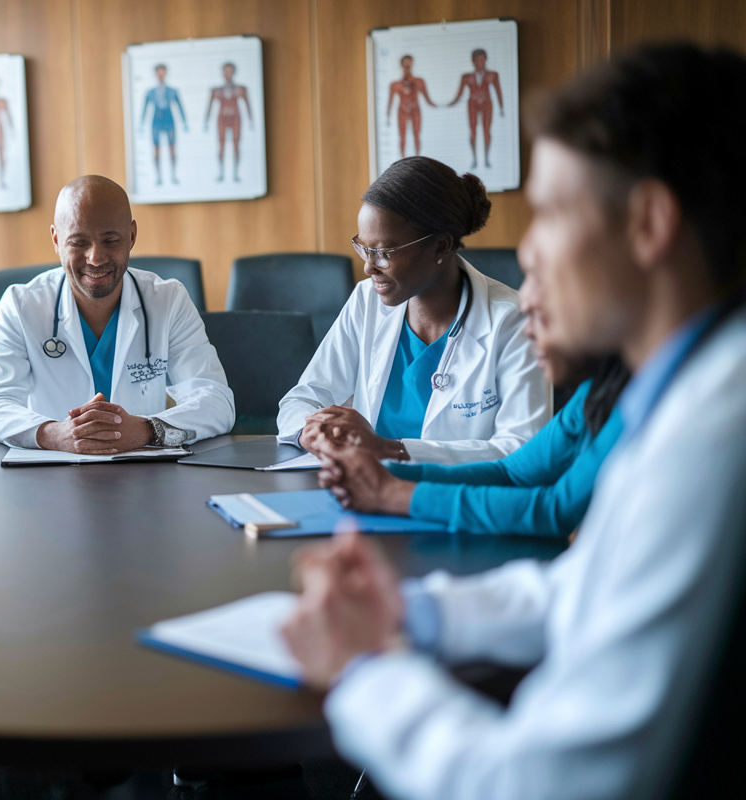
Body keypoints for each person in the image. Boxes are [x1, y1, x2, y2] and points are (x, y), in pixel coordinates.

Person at [282, 43, 746, 800]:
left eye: (555, 213)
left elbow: (539, 784)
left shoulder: (715, 433)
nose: (527, 249)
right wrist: (410, 608)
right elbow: (582, 590)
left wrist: (364, 666)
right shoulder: (682, 388)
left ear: (650, 223)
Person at [277, 156, 550, 466]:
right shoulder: (366, 301)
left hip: (457, 501)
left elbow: (524, 449)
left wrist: (389, 450)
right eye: (365, 249)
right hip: (363, 491)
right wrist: (309, 432)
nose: (368, 267)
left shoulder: (512, 321)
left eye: (384, 253)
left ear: (441, 247)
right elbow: (304, 398)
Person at [314, 272, 630, 537]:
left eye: (544, 278)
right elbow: (512, 472)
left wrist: (391, 493)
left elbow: (554, 510)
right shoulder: (600, 389)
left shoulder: (637, 403)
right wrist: (381, 473)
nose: (528, 304)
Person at [0, 175, 234, 453]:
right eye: (78, 242)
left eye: (110, 240)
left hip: (146, 475)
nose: (95, 258)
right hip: (51, 473)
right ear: (56, 239)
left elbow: (217, 401)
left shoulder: (168, 300)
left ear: (131, 236)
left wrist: (147, 430)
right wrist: (54, 434)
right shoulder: (21, 306)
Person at [448, 48, 504, 169]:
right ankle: (474, 159)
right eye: (476, 60)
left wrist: (501, 107)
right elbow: (460, 93)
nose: (479, 62)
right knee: (473, 131)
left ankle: (487, 159)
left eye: (481, 59)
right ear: (472, 61)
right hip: (472, 104)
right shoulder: (466, 76)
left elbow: (498, 90)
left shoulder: (492, 75)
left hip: (487, 104)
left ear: (485, 60)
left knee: (486, 131)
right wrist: (451, 103)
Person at [139, 64, 188, 186]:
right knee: (156, 149)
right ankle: (158, 177)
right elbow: (145, 109)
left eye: (163, 72)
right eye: (159, 72)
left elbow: (180, 106)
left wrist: (184, 122)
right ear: (156, 74)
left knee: (172, 148)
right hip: (156, 120)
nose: (161, 74)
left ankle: (173, 175)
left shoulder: (172, 91)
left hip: (169, 119)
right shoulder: (150, 92)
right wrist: (141, 124)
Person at [203, 62, 253, 183]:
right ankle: (221, 173)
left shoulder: (241, 89)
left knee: (236, 145)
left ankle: (236, 174)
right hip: (222, 119)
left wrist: (251, 120)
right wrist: (206, 121)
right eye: (225, 71)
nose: (227, 73)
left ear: (234, 72)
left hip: (236, 118)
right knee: (221, 145)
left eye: (230, 70)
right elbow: (209, 106)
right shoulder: (216, 90)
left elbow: (247, 104)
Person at [388, 55, 436, 159]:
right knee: (402, 137)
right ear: (401, 64)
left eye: (409, 62)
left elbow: (427, 98)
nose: (407, 65)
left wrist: (439, 105)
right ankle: (402, 160)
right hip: (402, 111)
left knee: (417, 135)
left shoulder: (419, 81)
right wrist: (387, 116)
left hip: (415, 110)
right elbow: (390, 102)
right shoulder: (395, 84)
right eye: (405, 62)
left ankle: (418, 159)